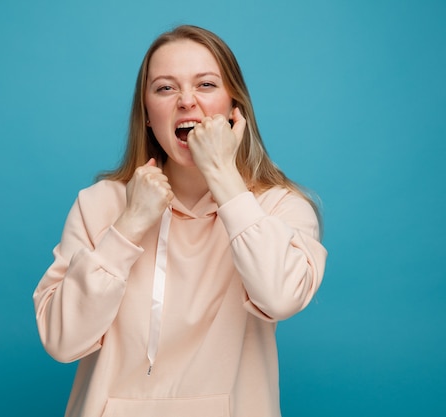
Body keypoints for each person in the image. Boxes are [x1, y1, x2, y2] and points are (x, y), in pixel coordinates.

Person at [33, 24, 327, 417]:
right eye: (165, 88)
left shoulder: (279, 207)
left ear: (234, 108)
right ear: (148, 116)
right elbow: (61, 340)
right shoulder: (99, 205)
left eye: (205, 85)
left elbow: (279, 296)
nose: (187, 101)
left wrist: (224, 177)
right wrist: (130, 224)